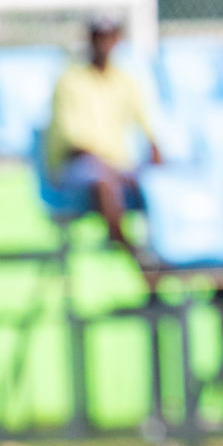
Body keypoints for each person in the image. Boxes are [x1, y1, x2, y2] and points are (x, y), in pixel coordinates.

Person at [44, 17, 160, 266]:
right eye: (99, 37)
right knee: (102, 178)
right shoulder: (70, 80)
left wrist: (155, 149)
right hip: (76, 166)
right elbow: (73, 140)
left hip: (116, 164)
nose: (104, 43)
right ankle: (129, 249)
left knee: (158, 181)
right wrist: (107, 165)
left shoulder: (125, 80)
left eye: (109, 37)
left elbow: (147, 122)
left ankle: (167, 255)